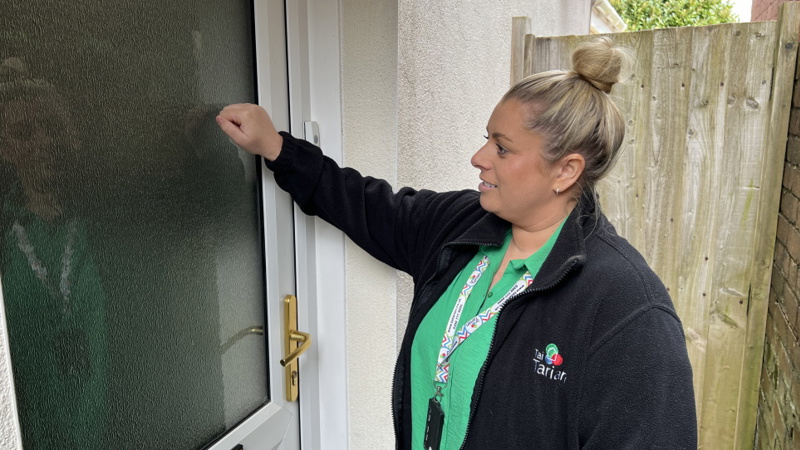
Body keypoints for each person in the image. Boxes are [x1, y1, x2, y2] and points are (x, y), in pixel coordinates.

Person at [216, 37, 697, 449]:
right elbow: (367, 206)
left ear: (566, 170)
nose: (478, 157)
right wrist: (277, 149)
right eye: (486, 138)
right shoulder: (463, 225)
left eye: (502, 148)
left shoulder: (625, 308)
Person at [0, 57, 108, 448]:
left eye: (53, 129)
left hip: (111, 428)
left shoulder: (103, 221)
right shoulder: (5, 234)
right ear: (6, 148)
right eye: (25, 132)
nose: (44, 141)